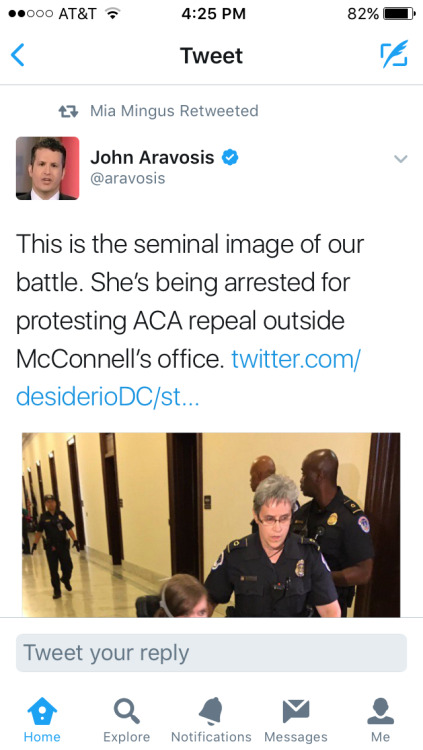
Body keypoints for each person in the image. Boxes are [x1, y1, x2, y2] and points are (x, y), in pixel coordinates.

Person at [205, 474, 341, 617]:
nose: (277, 528)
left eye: (284, 519)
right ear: (256, 516)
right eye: (270, 519)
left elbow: (331, 611)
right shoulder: (236, 554)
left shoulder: (309, 554)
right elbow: (208, 600)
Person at [293, 449, 374, 616]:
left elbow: (364, 572)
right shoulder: (302, 514)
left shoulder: (351, 517)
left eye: (304, 474)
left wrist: (322, 577)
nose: (301, 480)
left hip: (330, 607)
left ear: (320, 475)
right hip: (298, 604)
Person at [32, 495, 80, 599]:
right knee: (53, 570)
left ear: (56, 503)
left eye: (52, 501)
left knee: (68, 566)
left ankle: (66, 579)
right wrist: (35, 544)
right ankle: (57, 591)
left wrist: (75, 540)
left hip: (63, 546)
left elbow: (69, 528)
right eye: (48, 502)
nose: (51, 504)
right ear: (45, 504)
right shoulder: (43, 517)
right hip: (51, 548)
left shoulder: (61, 514)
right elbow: (39, 531)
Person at [249, 455, 276, 533]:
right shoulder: (261, 499)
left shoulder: (280, 501)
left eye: (252, 476)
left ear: (259, 476)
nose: (250, 480)